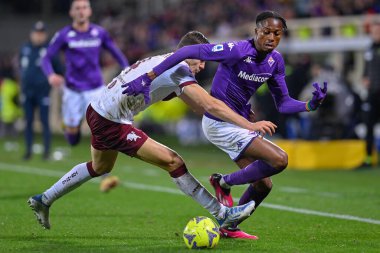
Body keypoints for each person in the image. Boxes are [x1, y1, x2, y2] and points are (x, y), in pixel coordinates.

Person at [27, 31, 271, 231]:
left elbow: (198, 105)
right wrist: (248, 124)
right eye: (201, 59)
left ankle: (44, 199)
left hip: (99, 110)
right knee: (173, 161)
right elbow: (207, 104)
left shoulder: (163, 60)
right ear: (191, 53)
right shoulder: (179, 69)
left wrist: (229, 110)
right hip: (112, 120)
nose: (202, 65)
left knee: (100, 167)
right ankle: (223, 213)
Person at [123, 11, 328, 239]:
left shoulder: (275, 61)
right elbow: (186, 51)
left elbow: (284, 103)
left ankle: (229, 228)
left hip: (237, 123)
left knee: (263, 186)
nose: (271, 37)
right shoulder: (238, 50)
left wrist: (309, 105)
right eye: (267, 32)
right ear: (256, 31)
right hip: (220, 122)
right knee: (280, 159)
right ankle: (222, 181)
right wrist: (150, 75)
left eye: (277, 34)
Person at [41, 0, 129, 191]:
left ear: (89, 11)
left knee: (104, 127)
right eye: (77, 8)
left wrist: (127, 68)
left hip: (96, 89)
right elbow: (47, 57)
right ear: (72, 12)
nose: (81, 11)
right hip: (72, 90)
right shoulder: (64, 35)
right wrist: (51, 75)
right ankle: (72, 131)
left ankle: (105, 174)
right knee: (73, 137)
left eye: (84, 7)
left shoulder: (99, 32)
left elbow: (115, 51)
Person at [19, 21, 62, 160]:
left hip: (43, 92)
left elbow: (59, 69)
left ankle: (46, 152)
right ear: (31, 34)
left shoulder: (49, 50)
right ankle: (28, 151)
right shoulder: (25, 48)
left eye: (41, 33)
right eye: (36, 33)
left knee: (44, 122)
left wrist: (51, 81)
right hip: (27, 92)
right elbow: (21, 67)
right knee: (29, 121)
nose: (38, 36)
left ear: (45, 35)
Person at [360, 19, 380, 168]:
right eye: (374, 31)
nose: (376, 34)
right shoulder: (369, 48)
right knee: (368, 125)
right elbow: (367, 69)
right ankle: (368, 159)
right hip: (372, 94)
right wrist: (365, 78)